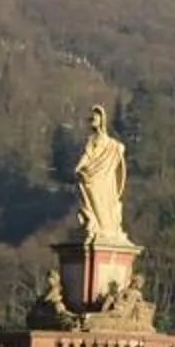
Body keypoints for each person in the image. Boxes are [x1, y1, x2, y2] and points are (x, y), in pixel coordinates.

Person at [75, 104, 129, 246]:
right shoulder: (92, 139)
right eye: (91, 118)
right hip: (93, 174)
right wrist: (79, 167)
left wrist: (118, 149)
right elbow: (87, 155)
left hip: (105, 177)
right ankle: (96, 224)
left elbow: (119, 149)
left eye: (95, 118)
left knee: (104, 201)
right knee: (88, 190)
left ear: (102, 121)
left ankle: (104, 227)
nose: (92, 120)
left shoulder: (111, 143)